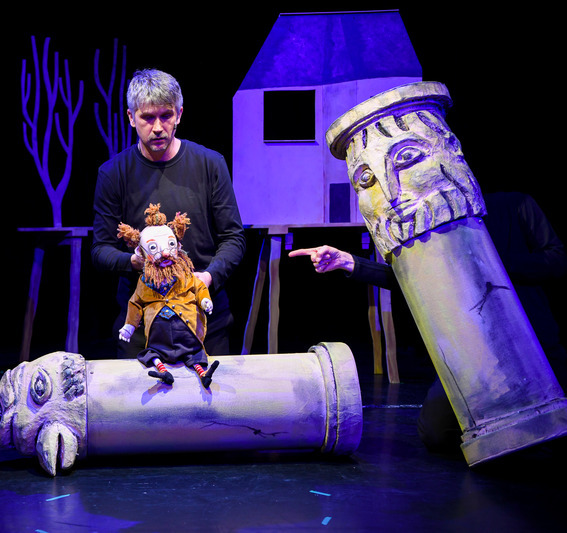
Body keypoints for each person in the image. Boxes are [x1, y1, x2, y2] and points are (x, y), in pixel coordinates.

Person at [290, 191, 567, 452]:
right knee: (435, 432)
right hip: (471, 347)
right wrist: (349, 262)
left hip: (532, 339)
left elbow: (556, 259)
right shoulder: (431, 220)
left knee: (552, 428)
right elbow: (410, 279)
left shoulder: (515, 204)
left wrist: (485, 260)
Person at [92, 69, 245, 358]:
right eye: (148, 117)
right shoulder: (113, 173)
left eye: (166, 116)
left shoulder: (210, 164)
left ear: (179, 114)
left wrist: (207, 277)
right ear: (131, 117)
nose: (158, 127)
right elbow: (100, 250)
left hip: (204, 320)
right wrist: (135, 261)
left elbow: (233, 238)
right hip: (142, 324)